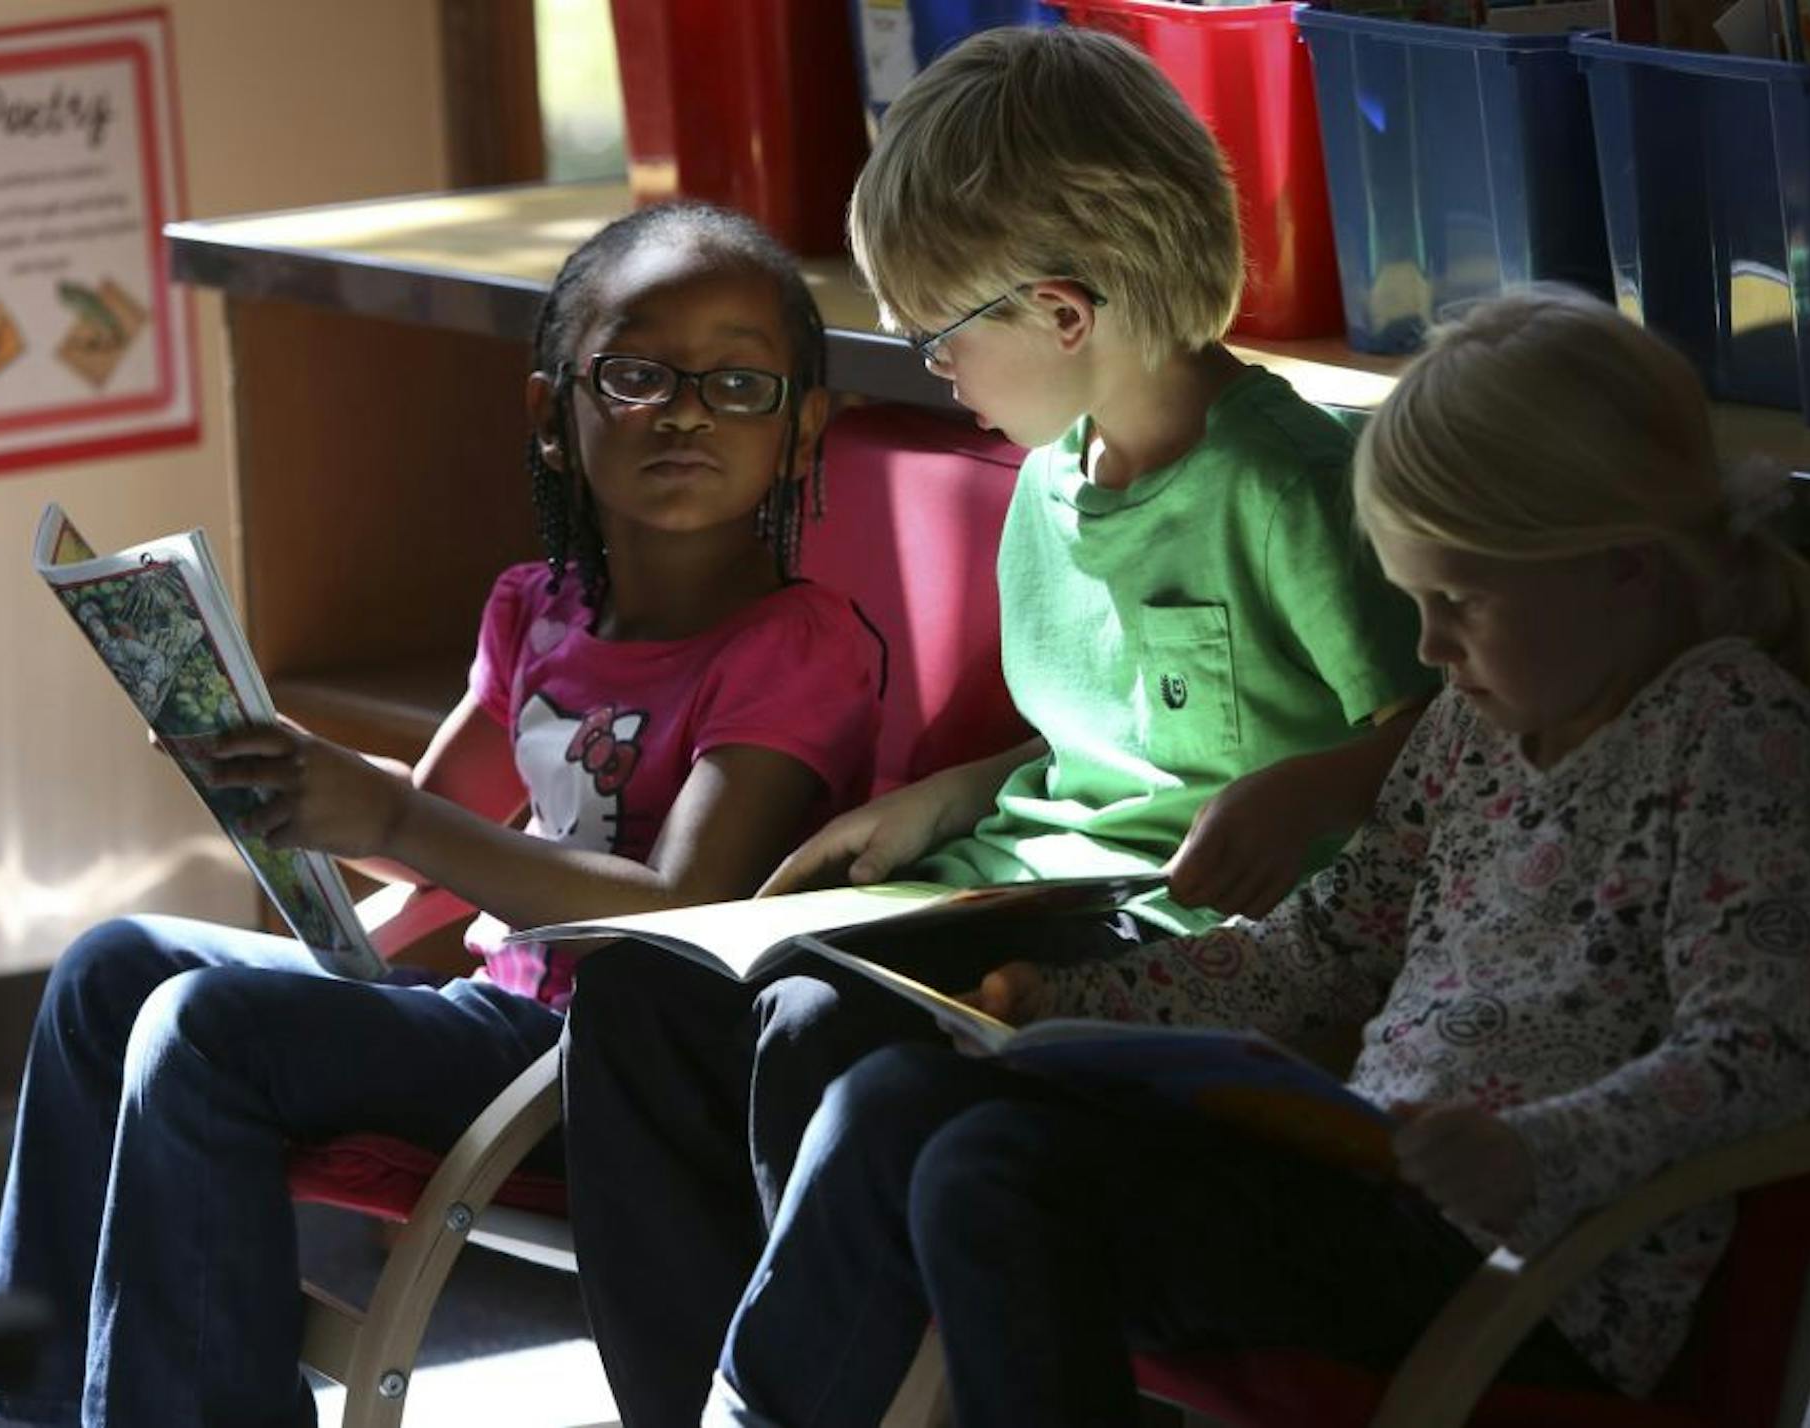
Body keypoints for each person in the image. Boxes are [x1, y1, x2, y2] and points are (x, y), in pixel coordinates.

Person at [704, 285, 1810, 1427]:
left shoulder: (1733, 732)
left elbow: (1754, 1057)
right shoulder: (1473, 729)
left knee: (994, 1176)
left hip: (1527, 1268)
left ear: (1623, 564)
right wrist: (1060, 1005)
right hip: (1362, 1189)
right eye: (1414, 599)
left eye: (1460, 601)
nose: (1430, 647)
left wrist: (1531, 1153)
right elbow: (1321, 950)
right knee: (894, 1095)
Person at [562, 26, 1435, 1427]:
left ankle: (835, 1400)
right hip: (1016, 886)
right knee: (639, 999)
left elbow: (1447, 742)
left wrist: (1317, 788)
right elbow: (1123, 734)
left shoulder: (1288, 488)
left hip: (1183, 938)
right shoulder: (1048, 479)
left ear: (1062, 314)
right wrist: (956, 792)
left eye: (942, 336)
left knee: (814, 1020)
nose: (937, 370)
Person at [0, 199, 884, 1428]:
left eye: (737, 384)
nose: (684, 412)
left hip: (603, 1082)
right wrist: (289, 777)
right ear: (550, 415)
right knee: (112, 966)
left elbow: (682, 912)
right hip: (490, 1018)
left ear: (802, 428)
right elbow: (441, 836)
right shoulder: (540, 608)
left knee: (204, 1030)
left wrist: (391, 820)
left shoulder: (798, 647)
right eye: (635, 376)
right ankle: (20, 1409)